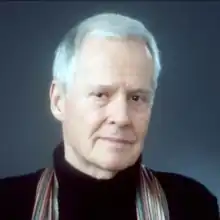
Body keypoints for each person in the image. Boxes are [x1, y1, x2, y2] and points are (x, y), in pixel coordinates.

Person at [0, 12, 219, 220]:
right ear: (58, 101)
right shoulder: (8, 205)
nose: (122, 117)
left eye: (136, 98)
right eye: (101, 95)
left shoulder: (192, 206)